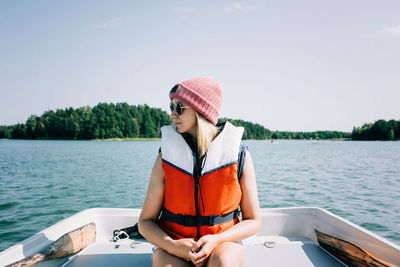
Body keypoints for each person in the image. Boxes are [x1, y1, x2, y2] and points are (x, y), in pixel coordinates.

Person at [138, 77, 260, 267]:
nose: (173, 114)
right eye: (171, 107)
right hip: (174, 245)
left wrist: (217, 240)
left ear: (200, 110)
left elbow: (253, 221)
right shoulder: (166, 158)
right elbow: (145, 222)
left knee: (224, 262)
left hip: (223, 244)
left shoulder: (239, 156)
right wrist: (172, 245)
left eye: (179, 107)